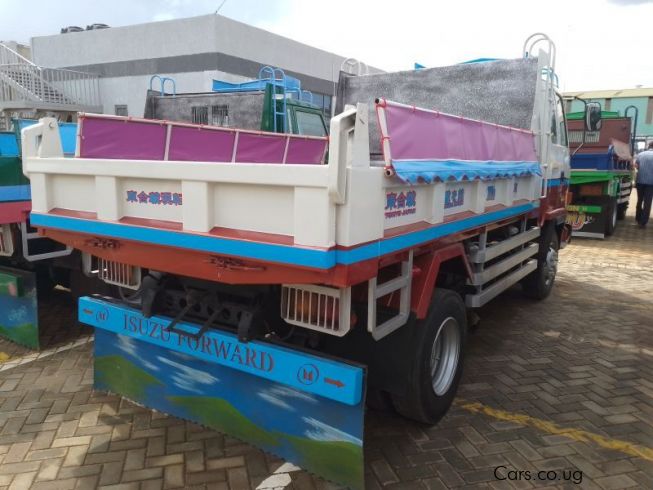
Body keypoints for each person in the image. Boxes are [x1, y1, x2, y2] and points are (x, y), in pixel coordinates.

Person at [635, 141, 653, 228]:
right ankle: (643, 222)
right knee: (647, 203)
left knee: (639, 200)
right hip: (651, 183)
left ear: (649, 146)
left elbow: (636, 166)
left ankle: (638, 218)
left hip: (640, 181)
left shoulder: (640, 154)